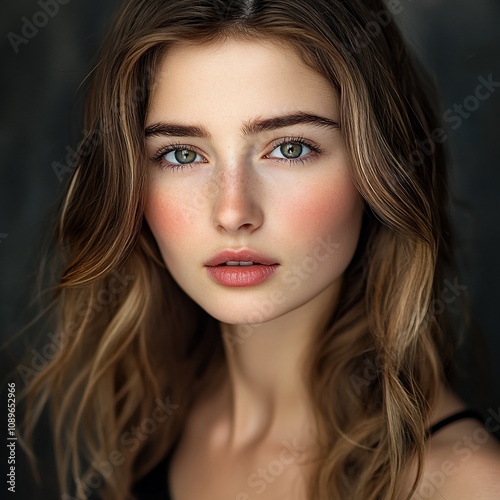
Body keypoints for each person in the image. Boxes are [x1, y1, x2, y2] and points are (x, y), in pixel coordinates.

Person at [21, 0, 500, 499]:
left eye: (290, 148)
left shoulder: (468, 485)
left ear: (378, 169)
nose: (232, 211)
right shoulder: (153, 416)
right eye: (182, 154)